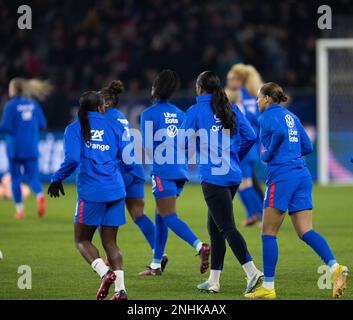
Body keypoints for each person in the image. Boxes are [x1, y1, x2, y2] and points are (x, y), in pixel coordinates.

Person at [245, 82, 349, 299]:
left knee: (268, 233)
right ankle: (335, 267)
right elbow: (307, 147)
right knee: (305, 230)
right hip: (302, 175)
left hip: (282, 177)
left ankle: (268, 288)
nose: (256, 101)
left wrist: (269, 154)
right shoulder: (292, 116)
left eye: (258, 97)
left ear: (266, 99)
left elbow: (279, 136)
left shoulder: (264, 118)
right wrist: (288, 152)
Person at [181, 71, 263, 294]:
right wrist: (235, 155)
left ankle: (253, 272)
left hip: (213, 177)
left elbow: (182, 143)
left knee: (226, 227)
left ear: (199, 88)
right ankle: (214, 281)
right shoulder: (230, 108)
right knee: (215, 227)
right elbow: (251, 136)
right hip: (232, 175)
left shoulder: (195, 111)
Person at [48, 91, 128, 300]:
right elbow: (125, 158)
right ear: (102, 107)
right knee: (110, 242)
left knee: (82, 239)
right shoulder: (115, 126)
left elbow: (73, 159)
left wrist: (57, 179)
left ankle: (105, 273)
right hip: (116, 189)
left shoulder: (74, 128)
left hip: (93, 191)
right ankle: (120, 291)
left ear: (80, 108)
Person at [139, 69, 210, 276]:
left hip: (163, 169)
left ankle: (200, 246)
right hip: (180, 169)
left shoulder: (148, 114)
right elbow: (188, 142)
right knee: (160, 216)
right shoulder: (180, 113)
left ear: (155, 88)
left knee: (168, 215)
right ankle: (155, 265)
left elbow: (146, 145)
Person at [100, 80, 168, 271]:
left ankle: (108, 256)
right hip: (135, 170)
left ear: (105, 103)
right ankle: (158, 253)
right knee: (138, 214)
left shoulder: (104, 120)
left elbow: (108, 148)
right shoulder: (121, 117)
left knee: (103, 212)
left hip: (118, 173)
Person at [0, 78, 48, 219]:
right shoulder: (33, 104)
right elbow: (43, 124)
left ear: (13, 90)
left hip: (15, 148)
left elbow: (5, 127)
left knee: (15, 178)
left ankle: (20, 211)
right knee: (32, 177)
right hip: (31, 146)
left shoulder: (10, 106)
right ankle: (40, 195)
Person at [226, 64, 264, 227]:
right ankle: (254, 216)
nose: (228, 82)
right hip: (253, 146)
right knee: (245, 182)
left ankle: (261, 216)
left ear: (240, 80)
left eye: (231, 79)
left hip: (242, 145)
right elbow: (258, 121)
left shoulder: (237, 97)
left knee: (243, 183)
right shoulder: (253, 97)